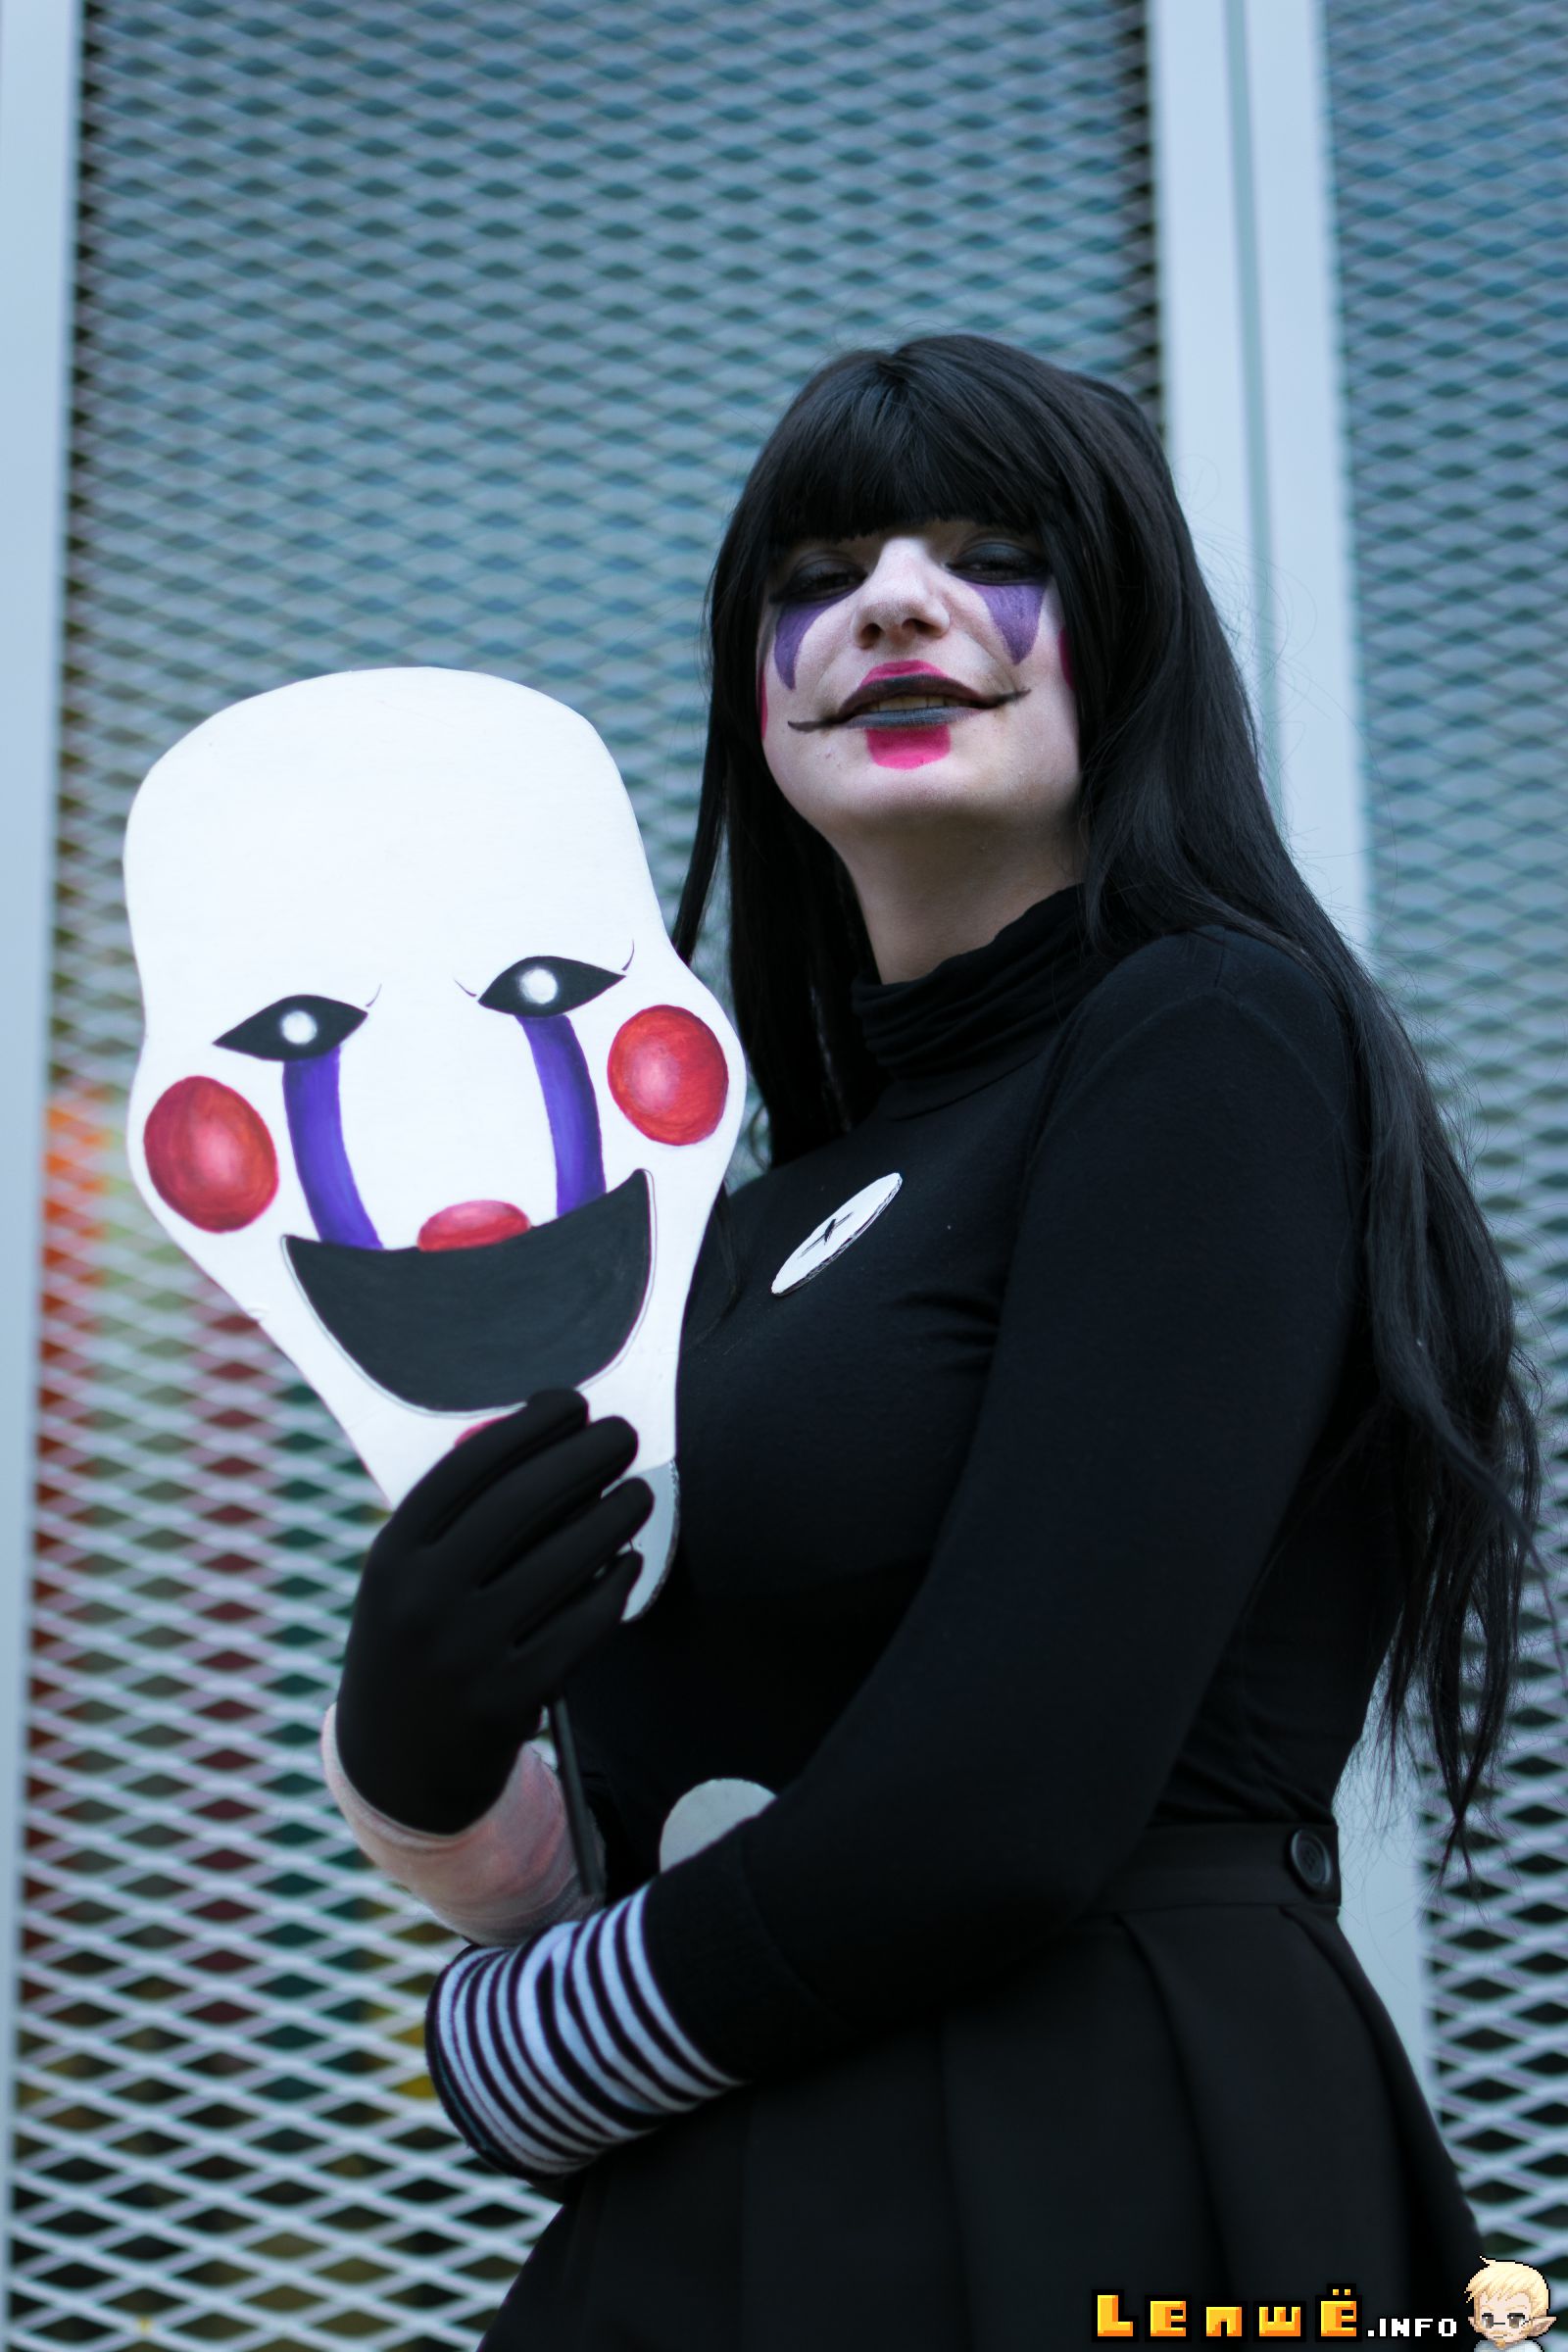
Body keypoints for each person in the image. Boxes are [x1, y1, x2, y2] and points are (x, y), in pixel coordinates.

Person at [323, 335, 1545, 2347]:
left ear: (1127, 640)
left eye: (991, 556)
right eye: (816, 576)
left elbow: (1003, 1803)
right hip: (743, 2176)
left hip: (1098, 2152)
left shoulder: (1206, 1032)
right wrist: (415, 1764)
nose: (892, 603)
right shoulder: (741, 1224)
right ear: (755, 690)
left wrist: (509, 2051)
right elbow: (667, 1828)